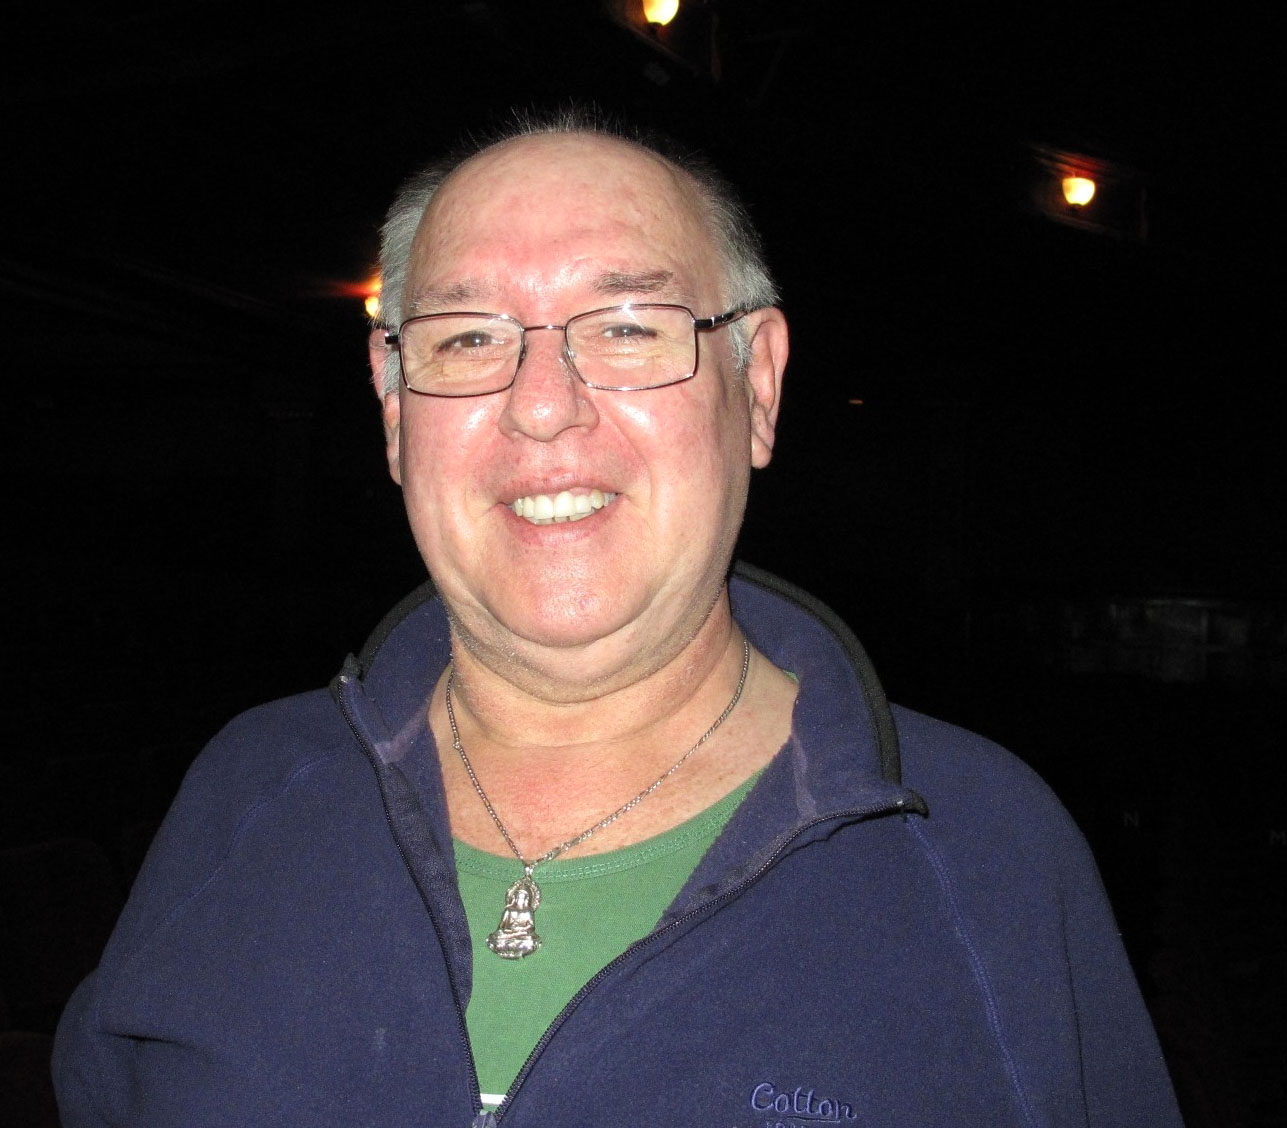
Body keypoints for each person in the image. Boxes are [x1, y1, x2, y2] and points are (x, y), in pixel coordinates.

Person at [53, 110, 1182, 1126]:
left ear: (758, 385)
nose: (542, 407)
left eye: (630, 327)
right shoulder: (249, 789)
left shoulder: (982, 849)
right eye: (467, 338)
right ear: (394, 411)